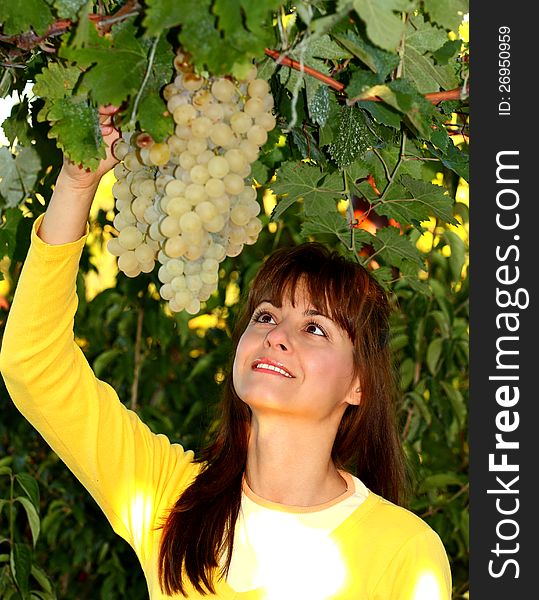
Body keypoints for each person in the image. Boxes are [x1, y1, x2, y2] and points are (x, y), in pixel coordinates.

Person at [0, 108, 452, 599]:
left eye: (315, 328)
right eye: (266, 316)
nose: (278, 335)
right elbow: (34, 364)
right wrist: (76, 184)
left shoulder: (404, 552)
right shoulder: (168, 500)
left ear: (358, 384)